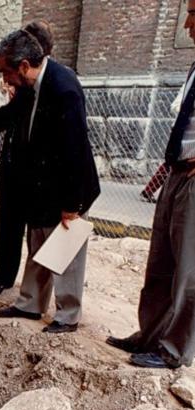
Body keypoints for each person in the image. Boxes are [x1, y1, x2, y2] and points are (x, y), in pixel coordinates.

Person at [0, 29, 100, 333]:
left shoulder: (63, 88)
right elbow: (6, 116)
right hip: (42, 182)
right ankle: (30, 303)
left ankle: (67, 315)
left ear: (22, 66)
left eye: (5, 71)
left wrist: (72, 205)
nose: (4, 79)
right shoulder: (33, 86)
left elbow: (75, 150)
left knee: (66, 249)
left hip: (68, 186)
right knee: (40, 244)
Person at [106, 0, 195, 368]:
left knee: (189, 271)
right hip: (177, 173)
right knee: (160, 261)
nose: (187, 23)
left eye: (193, 13)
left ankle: (174, 350)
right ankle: (151, 335)